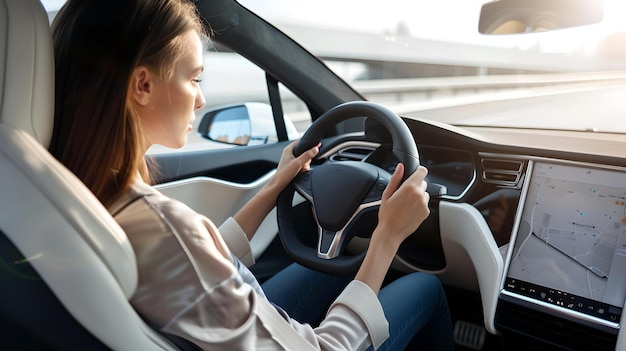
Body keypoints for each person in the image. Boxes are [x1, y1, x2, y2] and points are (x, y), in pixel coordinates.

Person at [49, 0, 454, 350]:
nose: (202, 98)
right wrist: (387, 237)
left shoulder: (72, 192)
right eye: (194, 79)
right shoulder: (165, 228)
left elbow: (193, 274)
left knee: (328, 265)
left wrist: (274, 187)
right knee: (426, 289)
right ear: (142, 85)